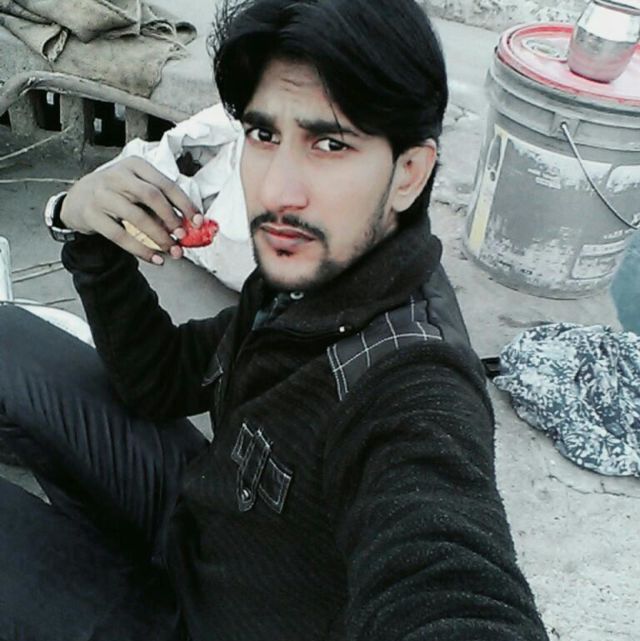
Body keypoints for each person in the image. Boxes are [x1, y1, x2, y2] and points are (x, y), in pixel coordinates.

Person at [0, 0, 549, 639]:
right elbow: (161, 379)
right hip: (198, 525)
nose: (276, 191)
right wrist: (85, 230)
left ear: (408, 174)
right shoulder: (313, 276)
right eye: (264, 136)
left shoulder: (412, 386)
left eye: (329, 143)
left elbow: (450, 581)